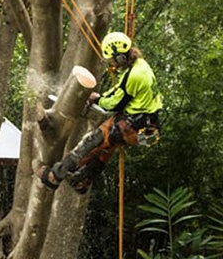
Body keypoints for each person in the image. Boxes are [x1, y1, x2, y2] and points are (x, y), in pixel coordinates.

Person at [38, 32, 163, 194]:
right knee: (104, 148)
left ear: (120, 58)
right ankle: (81, 180)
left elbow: (114, 104)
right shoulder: (139, 65)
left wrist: (97, 100)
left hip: (136, 125)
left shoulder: (135, 75)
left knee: (91, 141)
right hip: (141, 121)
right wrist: (99, 97)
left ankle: (55, 176)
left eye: (112, 59)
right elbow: (118, 91)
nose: (112, 63)